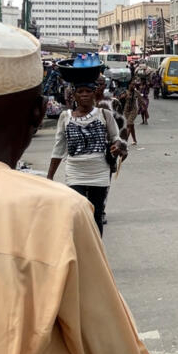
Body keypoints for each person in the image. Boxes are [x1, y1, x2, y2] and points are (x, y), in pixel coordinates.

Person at [0, 21, 170, 354]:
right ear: (38, 113)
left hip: (95, 175)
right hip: (73, 181)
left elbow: (115, 140)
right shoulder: (54, 213)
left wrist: (116, 149)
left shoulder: (103, 118)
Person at [47, 72, 129, 236]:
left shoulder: (104, 115)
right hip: (75, 172)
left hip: (99, 172)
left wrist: (118, 146)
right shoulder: (65, 117)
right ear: (74, 95)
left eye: (88, 91)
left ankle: (96, 250)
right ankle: (81, 248)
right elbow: (59, 147)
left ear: (94, 93)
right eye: (80, 92)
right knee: (78, 212)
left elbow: (115, 137)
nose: (84, 95)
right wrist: (49, 177)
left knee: (96, 214)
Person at [120, 76, 140, 145]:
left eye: (134, 84)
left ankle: (125, 142)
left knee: (129, 124)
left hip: (133, 110)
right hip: (126, 110)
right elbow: (119, 98)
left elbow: (141, 101)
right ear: (129, 85)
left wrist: (142, 109)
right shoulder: (125, 92)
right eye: (132, 84)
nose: (133, 86)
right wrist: (122, 97)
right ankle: (134, 140)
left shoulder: (136, 92)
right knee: (131, 125)